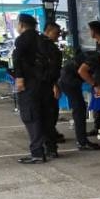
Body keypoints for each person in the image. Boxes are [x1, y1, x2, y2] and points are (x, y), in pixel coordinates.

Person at [10, 13, 48, 164]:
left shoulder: (23, 39)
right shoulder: (41, 38)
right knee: (41, 115)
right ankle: (48, 148)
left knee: (30, 116)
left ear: (22, 24)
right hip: (43, 83)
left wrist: (19, 78)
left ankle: (37, 152)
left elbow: (17, 59)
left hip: (29, 83)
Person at [57, 43, 100, 152]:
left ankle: (82, 140)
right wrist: (95, 85)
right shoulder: (95, 58)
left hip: (68, 80)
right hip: (69, 81)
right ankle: (82, 142)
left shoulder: (92, 55)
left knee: (80, 110)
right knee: (79, 110)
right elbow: (82, 71)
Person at [39, 22, 66, 157]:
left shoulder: (45, 46)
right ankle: (50, 147)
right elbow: (49, 70)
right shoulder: (45, 47)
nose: (59, 35)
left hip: (46, 84)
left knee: (50, 116)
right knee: (49, 116)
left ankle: (49, 143)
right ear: (48, 31)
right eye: (56, 33)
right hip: (46, 86)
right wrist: (54, 84)